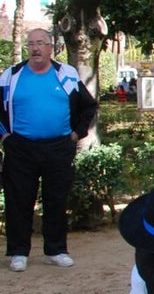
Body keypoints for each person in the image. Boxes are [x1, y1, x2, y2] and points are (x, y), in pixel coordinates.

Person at [0, 28, 98, 271]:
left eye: (40, 43)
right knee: (19, 200)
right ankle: (18, 252)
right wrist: (4, 136)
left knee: (56, 200)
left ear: (50, 47)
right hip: (20, 148)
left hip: (59, 147)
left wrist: (77, 133)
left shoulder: (67, 74)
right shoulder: (11, 76)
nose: (35, 48)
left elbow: (88, 106)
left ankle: (56, 250)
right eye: (31, 43)